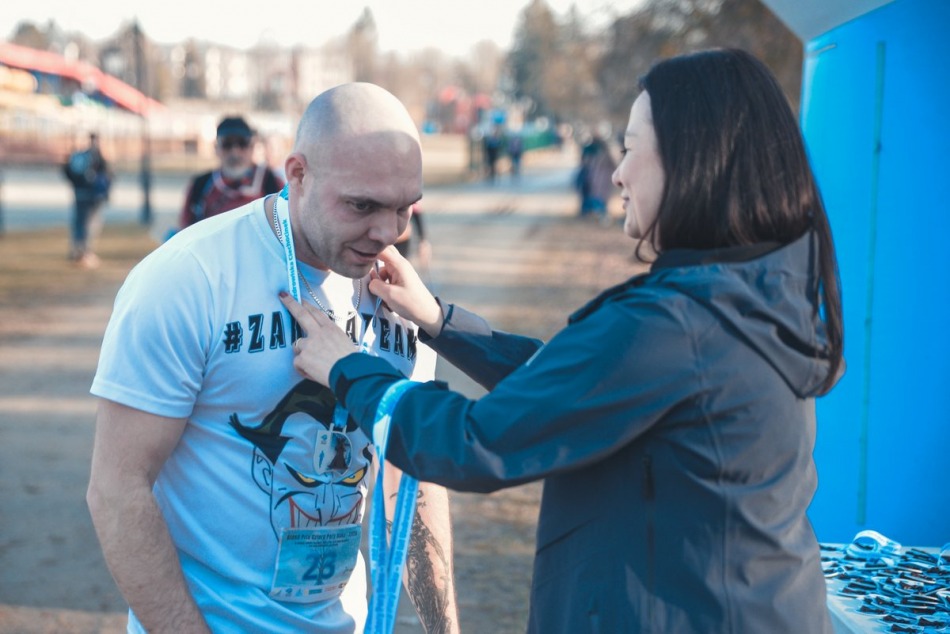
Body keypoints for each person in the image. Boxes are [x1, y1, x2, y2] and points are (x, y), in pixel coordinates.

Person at [281, 49, 844, 633]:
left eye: (630, 148)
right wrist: (441, 322)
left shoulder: (681, 324)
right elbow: (578, 384)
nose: (616, 173)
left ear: (694, 162)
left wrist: (348, 367)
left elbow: (475, 442)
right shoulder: (748, 293)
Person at [87, 83, 459, 633]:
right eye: (362, 205)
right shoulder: (189, 278)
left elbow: (411, 480)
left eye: (404, 208)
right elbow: (117, 489)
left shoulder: (400, 297)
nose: (385, 233)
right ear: (298, 174)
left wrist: (445, 628)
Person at [178, 115, 284, 230]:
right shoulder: (201, 186)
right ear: (216, 148)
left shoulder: (271, 182)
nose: (235, 152)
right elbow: (186, 230)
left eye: (242, 143)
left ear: (252, 147)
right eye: (227, 144)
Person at [63, 132, 112, 267]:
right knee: (90, 224)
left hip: (79, 193)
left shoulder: (78, 155)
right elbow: (106, 175)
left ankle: (76, 250)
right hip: (93, 196)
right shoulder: (97, 156)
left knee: (79, 223)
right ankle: (85, 252)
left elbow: (66, 171)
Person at [574, 133, 617, 221]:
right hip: (596, 181)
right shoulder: (594, 154)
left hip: (601, 182)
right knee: (595, 198)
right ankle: (591, 213)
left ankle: (599, 214)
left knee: (599, 199)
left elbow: (612, 167)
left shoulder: (603, 156)